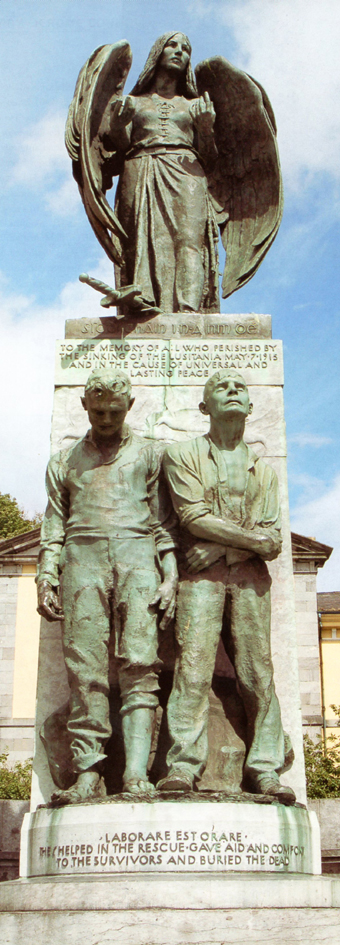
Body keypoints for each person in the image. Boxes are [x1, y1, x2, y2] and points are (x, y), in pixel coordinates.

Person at [37, 369, 178, 803]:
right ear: (84, 406)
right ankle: (88, 773)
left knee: (140, 665)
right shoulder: (64, 461)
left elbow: (163, 523)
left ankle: (136, 772)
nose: (106, 418)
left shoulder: (152, 456)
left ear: (130, 407)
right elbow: (53, 524)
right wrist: (46, 575)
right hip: (82, 560)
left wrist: (171, 575)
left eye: (115, 411)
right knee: (86, 673)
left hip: (139, 558)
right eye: (98, 410)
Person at [157, 369, 296, 805]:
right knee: (193, 668)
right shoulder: (182, 455)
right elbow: (192, 517)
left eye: (240, 387)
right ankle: (183, 765)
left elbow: (271, 539)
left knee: (258, 673)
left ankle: (266, 768)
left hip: (246, 578)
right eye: (222, 387)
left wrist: (222, 551)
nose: (233, 391)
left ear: (251, 408)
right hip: (199, 582)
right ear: (205, 407)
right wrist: (250, 542)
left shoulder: (265, 471)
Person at [108, 31, 221, 314]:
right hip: (142, 167)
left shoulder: (195, 105)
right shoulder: (134, 103)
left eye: (185, 48)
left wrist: (206, 128)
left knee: (189, 240)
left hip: (187, 171)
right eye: (172, 45)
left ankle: (188, 310)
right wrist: (118, 127)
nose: (179, 51)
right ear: (158, 52)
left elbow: (210, 157)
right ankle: (143, 298)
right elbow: (120, 148)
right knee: (140, 237)